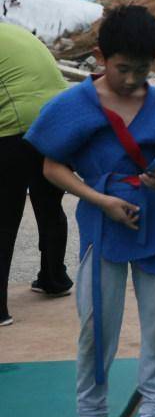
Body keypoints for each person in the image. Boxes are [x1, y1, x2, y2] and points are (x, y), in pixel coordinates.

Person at [25, 6, 155, 417]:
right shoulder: (73, 104)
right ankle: (91, 413)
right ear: (100, 56)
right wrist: (100, 200)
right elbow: (53, 167)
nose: (131, 79)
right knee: (96, 324)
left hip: (154, 224)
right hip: (100, 223)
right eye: (122, 68)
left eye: (142, 70)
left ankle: (154, 410)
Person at [0, 23, 73, 327]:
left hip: (17, 125)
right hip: (59, 121)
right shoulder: (13, 32)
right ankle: (54, 278)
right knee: (48, 201)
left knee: (4, 215)